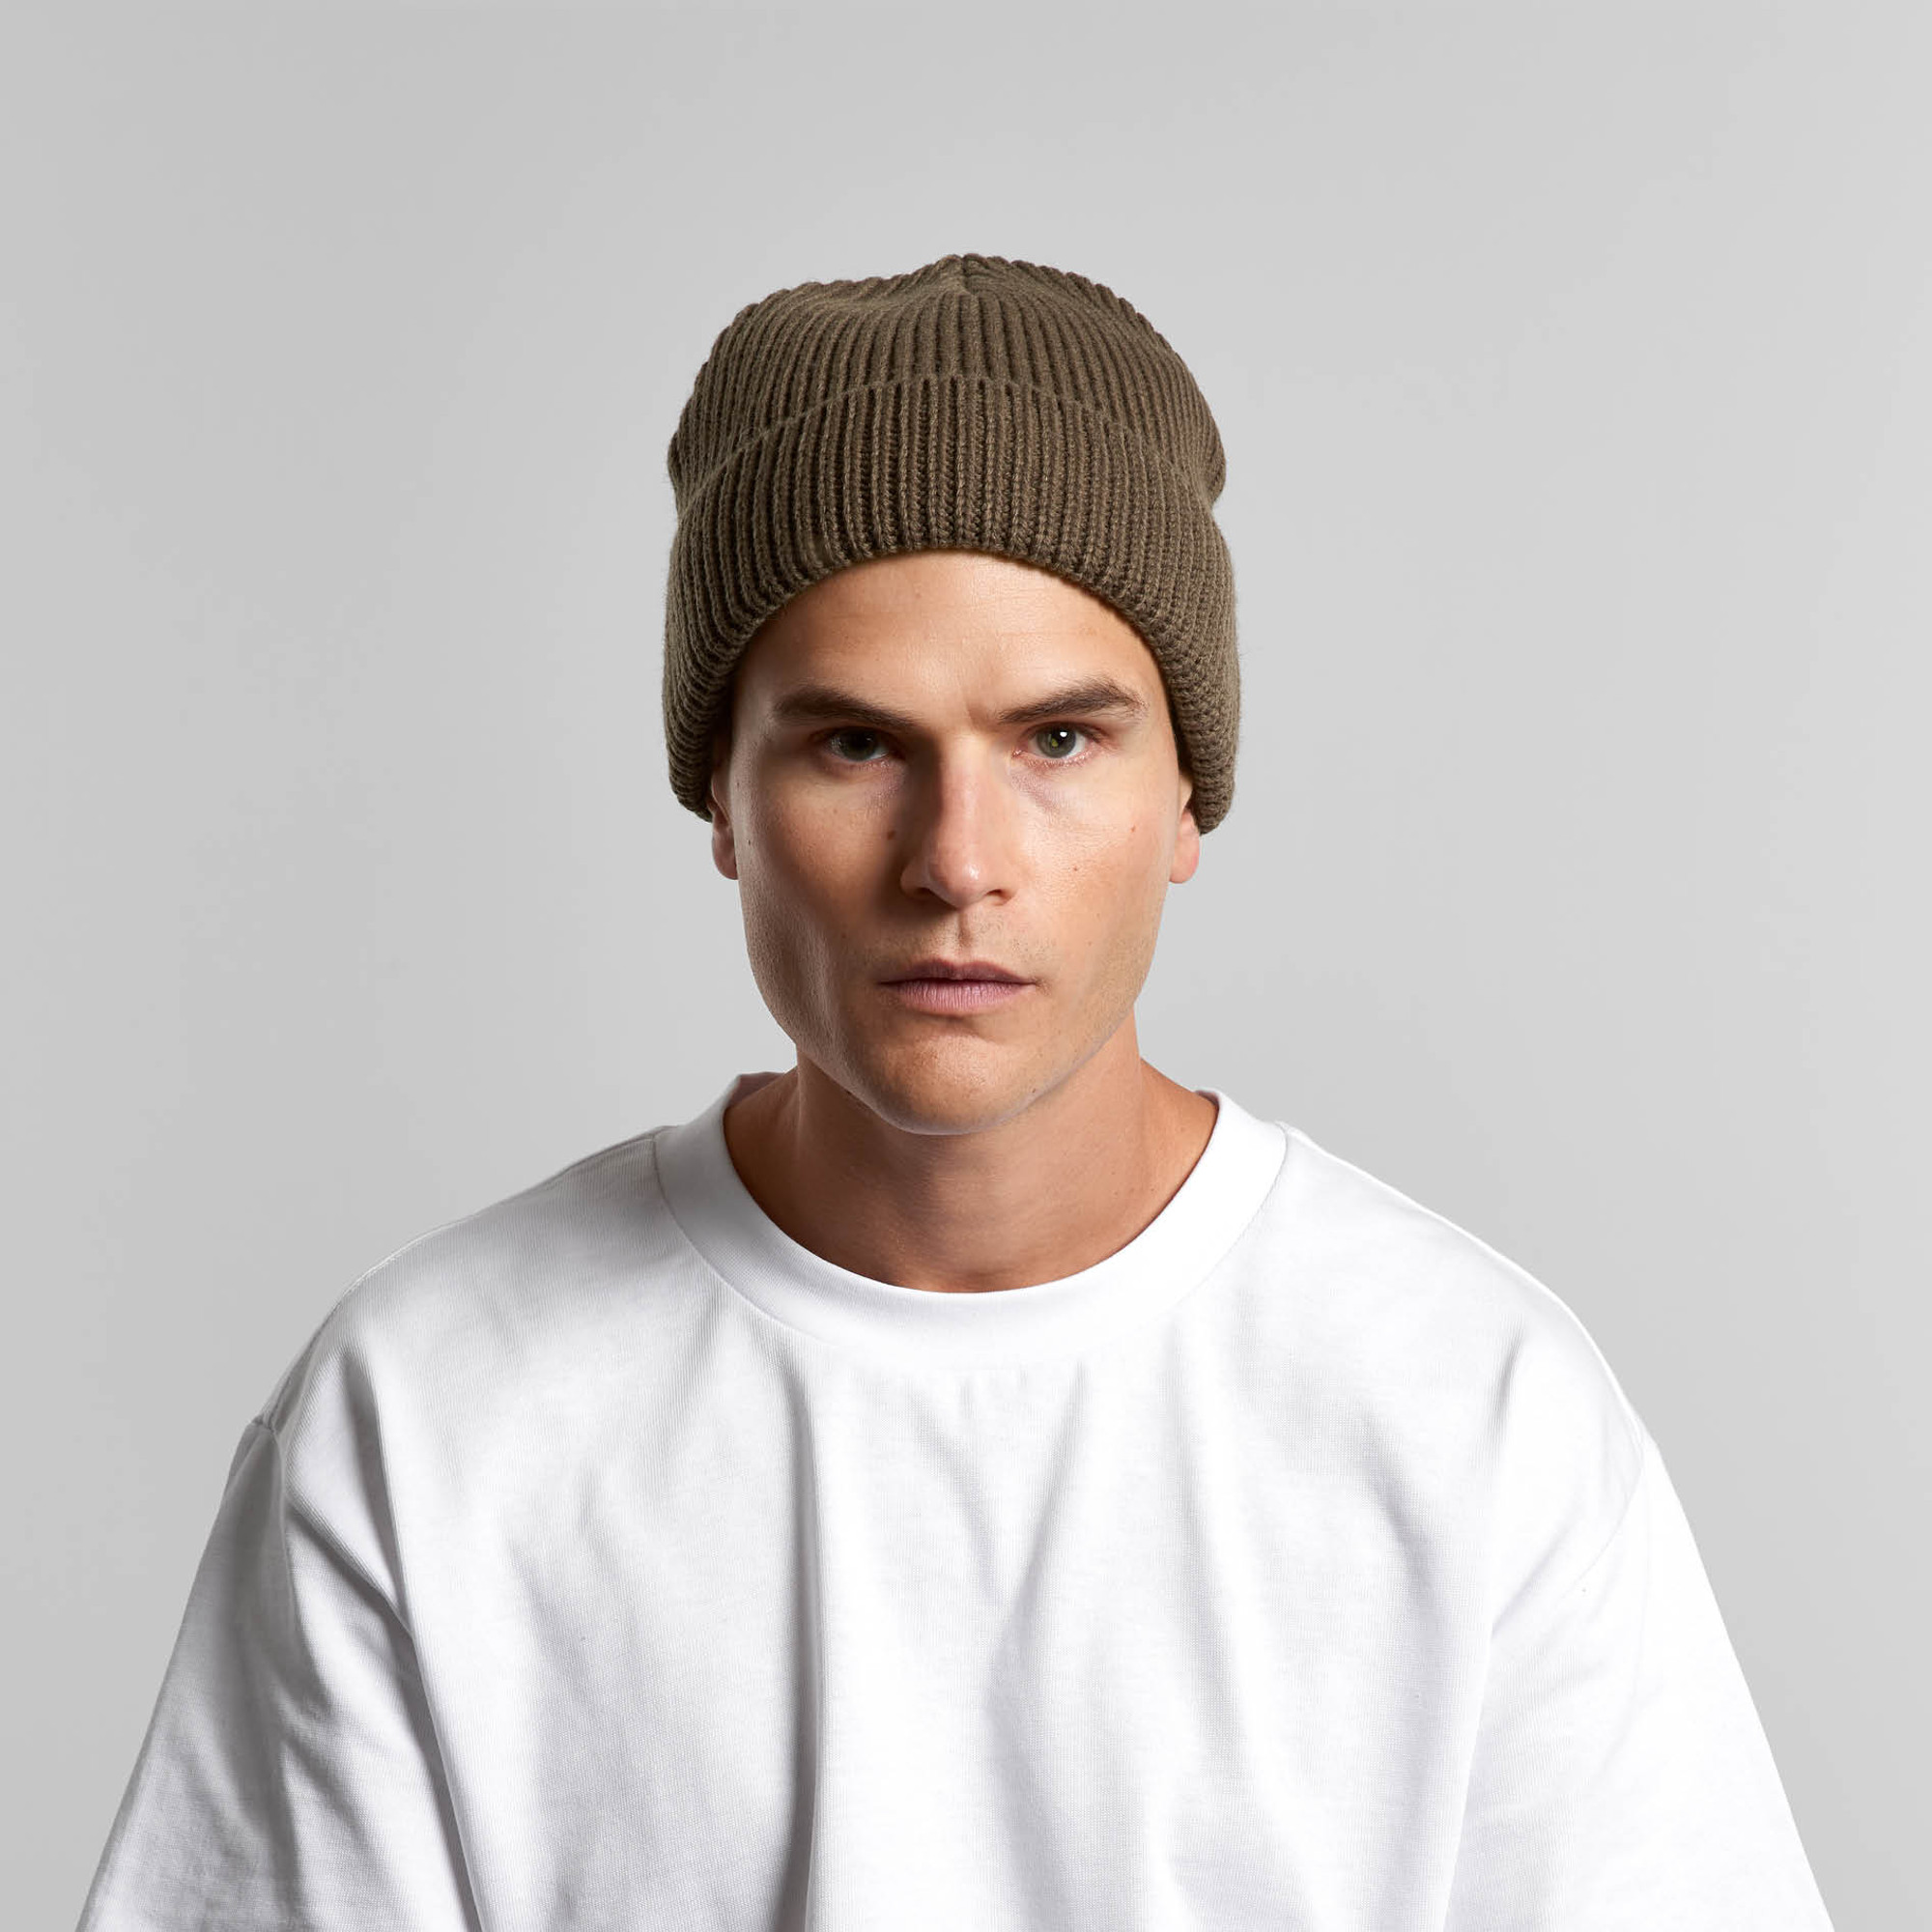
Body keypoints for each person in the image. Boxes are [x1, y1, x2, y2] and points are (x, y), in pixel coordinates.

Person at [77, 253, 1835, 1929]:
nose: (957, 860)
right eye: (855, 744)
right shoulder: (428, 1417)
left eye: (1058, 739)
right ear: (722, 803)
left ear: (1187, 800)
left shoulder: (1469, 1412)